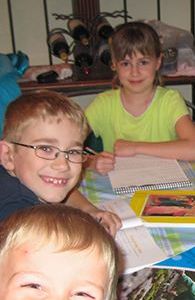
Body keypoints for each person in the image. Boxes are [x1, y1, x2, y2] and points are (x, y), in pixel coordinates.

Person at [84, 21, 195, 176]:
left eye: (143, 62)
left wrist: (135, 147)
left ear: (158, 62)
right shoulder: (103, 104)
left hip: (165, 181)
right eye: (126, 63)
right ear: (115, 64)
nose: (135, 72)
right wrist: (92, 163)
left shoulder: (171, 101)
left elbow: (194, 149)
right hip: (120, 184)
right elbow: (65, 145)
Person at [0, 90, 122, 235]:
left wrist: (88, 209)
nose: (63, 165)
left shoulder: (22, 180)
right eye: (46, 149)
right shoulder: (17, 217)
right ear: (8, 155)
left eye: (73, 152)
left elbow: (59, 185)